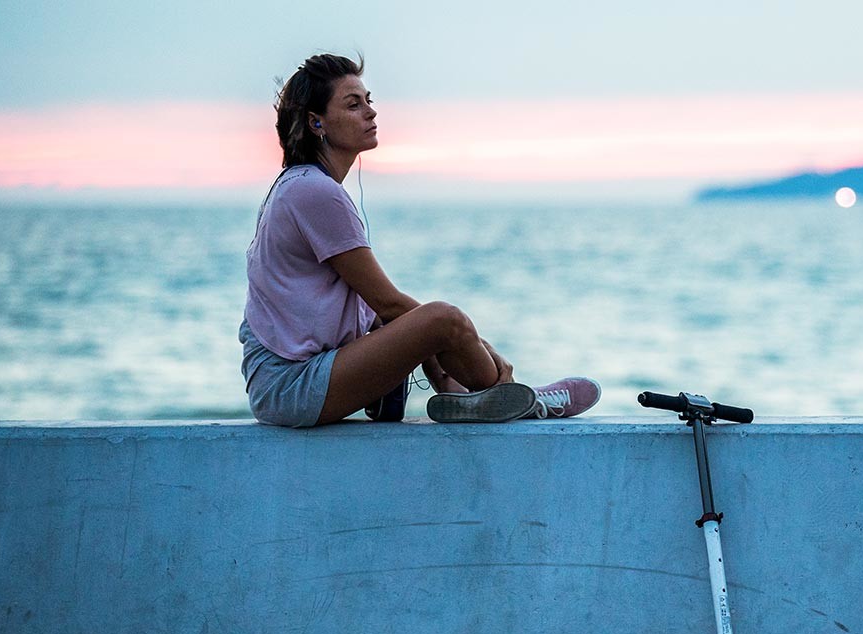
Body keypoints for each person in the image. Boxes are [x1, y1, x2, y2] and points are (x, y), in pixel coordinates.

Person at [239, 53, 600, 427]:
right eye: (353, 104)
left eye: (368, 101)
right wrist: (475, 344)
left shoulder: (301, 186)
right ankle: (518, 396)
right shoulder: (314, 192)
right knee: (444, 319)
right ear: (317, 122)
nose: (370, 112)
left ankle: (460, 394)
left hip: (288, 380)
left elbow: (378, 311)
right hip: (289, 386)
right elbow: (389, 302)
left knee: (412, 322)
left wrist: (445, 355)